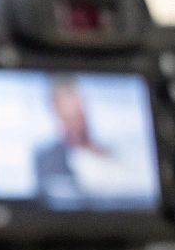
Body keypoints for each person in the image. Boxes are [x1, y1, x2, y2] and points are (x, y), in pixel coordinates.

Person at [32, 75, 149, 207]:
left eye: (80, 116)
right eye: (70, 118)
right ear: (56, 113)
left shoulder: (114, 150)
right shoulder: (49, 159)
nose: (78, 124)